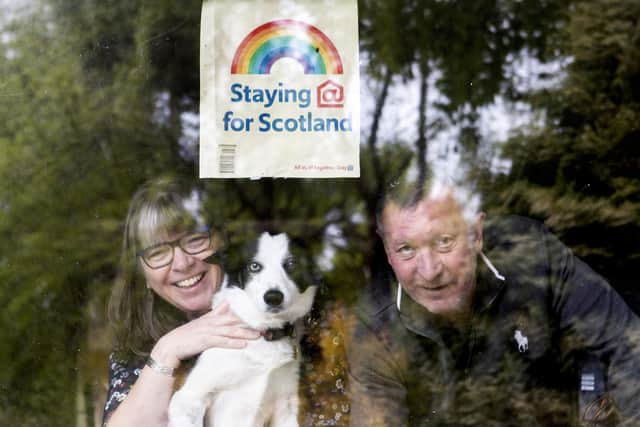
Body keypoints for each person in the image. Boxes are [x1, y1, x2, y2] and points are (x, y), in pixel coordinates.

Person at [345, 171, 640, 426]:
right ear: (387, 251)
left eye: (444, 242)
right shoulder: (373, 328)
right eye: (406, 249)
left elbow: (627, 345)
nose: (429, 271)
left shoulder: (532, 254)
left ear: (476, 234)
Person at [102, 177, 260, 427]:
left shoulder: (276, 315)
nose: (183, 263)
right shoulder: (135, 355)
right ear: (143, 276)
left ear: (222, 241)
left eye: (195, 239)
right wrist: (167, 351)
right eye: (158, 252)